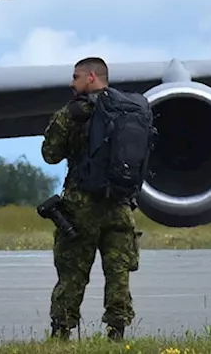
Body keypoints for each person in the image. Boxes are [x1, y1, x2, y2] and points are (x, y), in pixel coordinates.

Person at [40, 56, 141, 340]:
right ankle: (117, 332)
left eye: (76, 77)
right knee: (119, 273)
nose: (72, 83)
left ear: (91, 77)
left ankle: (61, 332)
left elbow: (50, 155)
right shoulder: (130, 110)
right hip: (120, 206)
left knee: (72, 274)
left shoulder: (72, 113)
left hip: (80, 208)